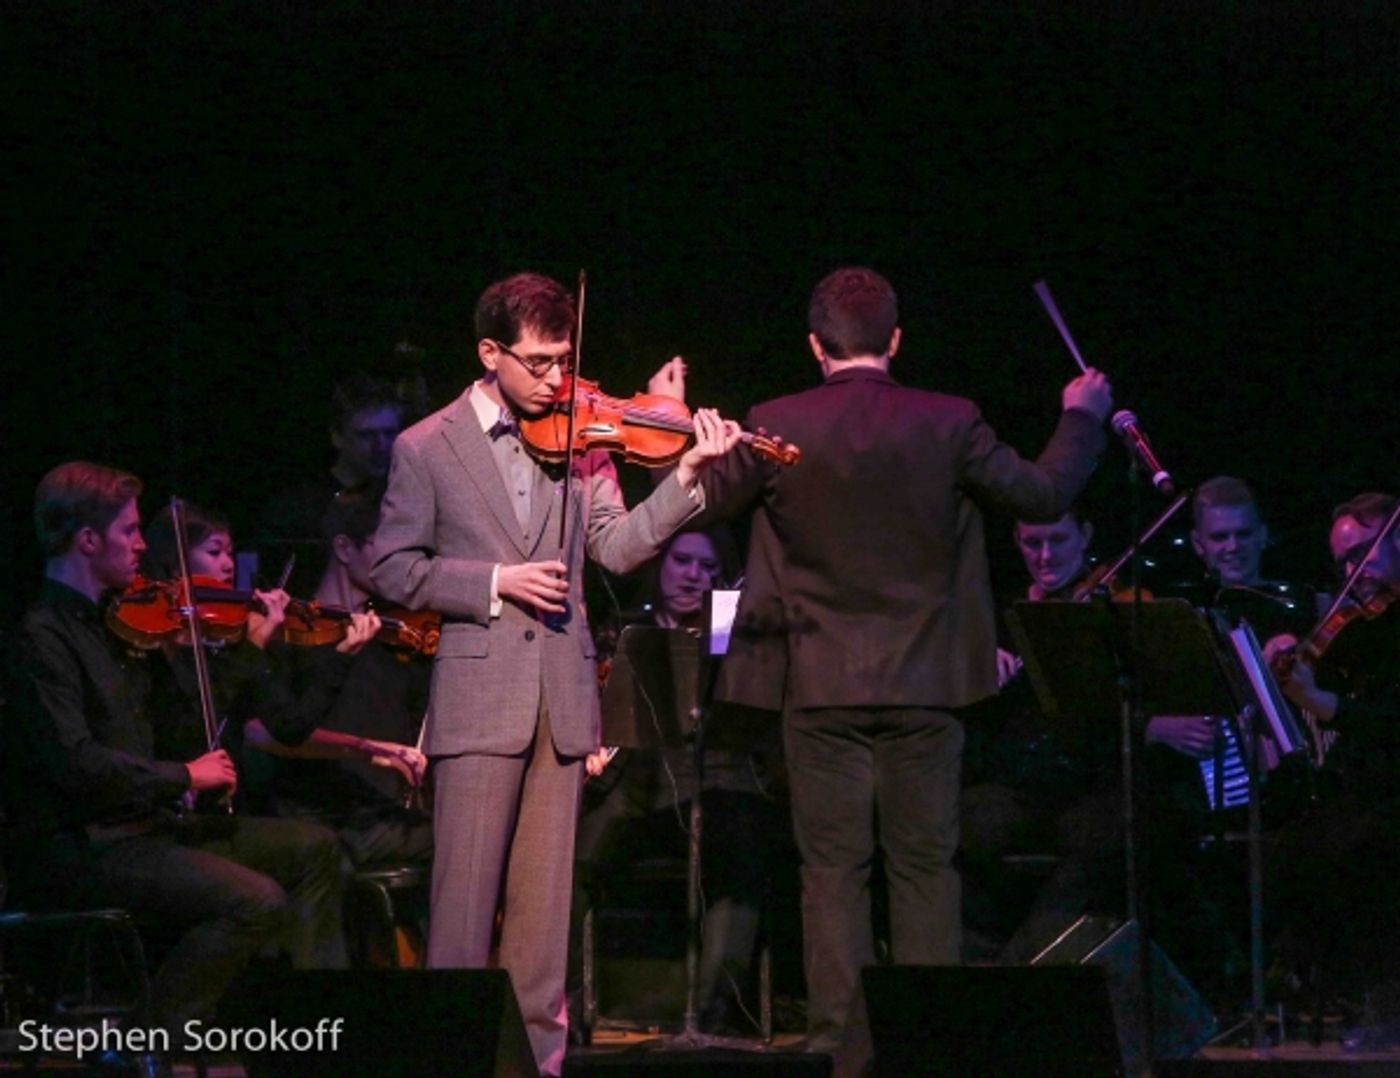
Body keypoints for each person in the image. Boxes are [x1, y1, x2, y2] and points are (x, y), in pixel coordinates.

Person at [695, 267, 1112, 1061]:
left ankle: (843, 1049)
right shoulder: (949, 421)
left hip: (817, 687)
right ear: (894, 340)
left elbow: (702, 501)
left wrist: (669, 419)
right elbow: (1043, 494)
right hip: (927, 685)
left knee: (832, 872)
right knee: (926, 867)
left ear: (816, 346)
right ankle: (931, 1050)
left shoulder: (776, 422)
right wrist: (1079, 417)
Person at [369, 271, 742, 1074]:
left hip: (564, 702)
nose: (553, 379)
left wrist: (681, 481)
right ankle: (449, 1061)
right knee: (463, 918)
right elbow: (392, 568)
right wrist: (492, 584)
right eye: (537, 362)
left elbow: (617, 546)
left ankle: (538, 1066)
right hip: (478, 696)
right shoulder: (426, 446)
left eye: (563, 360)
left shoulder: (581, 438)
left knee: (541, 931)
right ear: (490, 353)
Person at [2, 463, 346, 1070]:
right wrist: (182, 777)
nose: (142, 546)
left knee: (312, 848)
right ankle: (134, 1046)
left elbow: (190, 729)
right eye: (130, 532)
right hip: (86, 845)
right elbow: (75, 763)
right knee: (254, 900)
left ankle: (313, 1036)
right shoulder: (41, 638)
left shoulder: (124, 625)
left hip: (148, 829)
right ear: (87, 540)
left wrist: (242, 654)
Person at [574, 527, 777, 1034]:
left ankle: (714, 1013)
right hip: (632, 782)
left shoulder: (727, 636)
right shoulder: (618, 632)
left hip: (714, 779)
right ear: (658, 565)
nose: (693, 575)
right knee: (573, 859)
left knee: (744, 853)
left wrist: (725, 632)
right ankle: (566, 1006)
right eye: (682, 561)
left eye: (708, 568)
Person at [1262, 492, 1400, 1037]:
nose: (1350, 572)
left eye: (1361, 554)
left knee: (1351, 846)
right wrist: (1290, 654)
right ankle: (1308, 982)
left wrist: (1323, 703)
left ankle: (1376, 998)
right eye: (1341, 560)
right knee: (1292, 840)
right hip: (1371, 779)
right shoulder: (1368, 621)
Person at [256, 373, 408, 595]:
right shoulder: (297, 507)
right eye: (366, 436)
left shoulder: (404, 496)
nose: (381, 446)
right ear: (337, 436)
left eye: (389, 433)